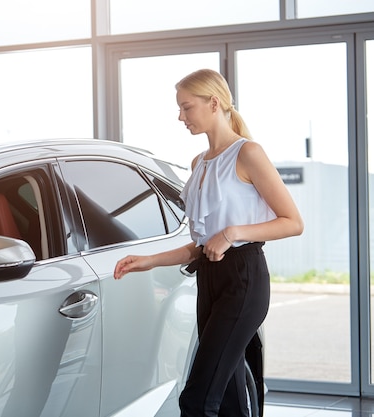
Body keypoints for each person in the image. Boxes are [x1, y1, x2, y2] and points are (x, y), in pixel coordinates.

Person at [113, 68, 304, 417]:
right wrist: (148, 260)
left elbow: (292, 223)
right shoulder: (198, 163)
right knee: (229, 400)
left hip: (243, 281)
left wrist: (233, 233)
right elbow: (201, 246)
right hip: (209, 280)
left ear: (213, 103)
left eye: (186, 107)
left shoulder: (248, 153)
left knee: (197, 400)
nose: (180, 117)